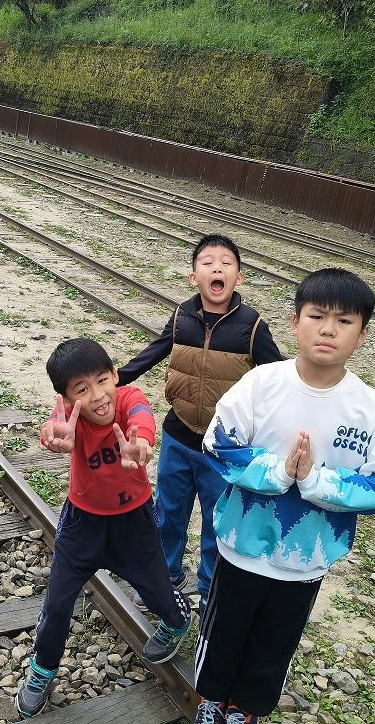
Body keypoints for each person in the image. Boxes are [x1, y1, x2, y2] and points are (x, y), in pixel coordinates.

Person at [192, 268, 375, 724]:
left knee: (276, 640)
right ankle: (212, 700)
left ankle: (246, 709)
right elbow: (218, 444)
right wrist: (278, 472)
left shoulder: (368, 406)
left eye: (345, 321)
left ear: (364, 334)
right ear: (295, 322)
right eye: (317, 315)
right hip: (240, 547)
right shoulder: (262, 384)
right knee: (224, 631)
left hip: (306, 558)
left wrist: (316, 481)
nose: (328, 329)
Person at [16, 338, 194, 718]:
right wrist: (52, 439)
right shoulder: (69, 416)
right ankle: (41, 672)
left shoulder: (129, 396)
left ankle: (178, 620)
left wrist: (142, 441)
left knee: (159, 593)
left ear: (115, 374)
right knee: (57, 602)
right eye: (82, 389)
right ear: (66, 397)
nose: (97, 396)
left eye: (102, 380)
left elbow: (142, 416)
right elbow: (56, 430)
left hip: (135, 522)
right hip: (83, 524)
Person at [118, 234, 283, 612]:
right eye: (208, 263)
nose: (217, 268)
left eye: (226, 263)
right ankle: (165, 580)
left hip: (222, 446)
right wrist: (118, 378)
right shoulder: (182, 316)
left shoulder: (252, 326)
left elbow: (276, 378)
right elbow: (155, 352)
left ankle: (210, 589)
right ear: (194, 276)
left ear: (238, 277)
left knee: (216, 520)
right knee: (168, 513)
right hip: (178, 435)